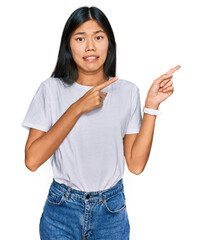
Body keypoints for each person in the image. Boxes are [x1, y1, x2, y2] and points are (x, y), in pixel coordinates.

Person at [21, 6, 181, 240]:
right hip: (61, 212)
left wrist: (151, 106)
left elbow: (136, 165)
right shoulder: (50, 89)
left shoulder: (127, 92)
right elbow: (32, 160)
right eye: (80, 38)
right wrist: (78, 107)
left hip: (111, 212)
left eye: (98, 37)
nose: (90, 47)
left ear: (109, 43)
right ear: (68, 44)